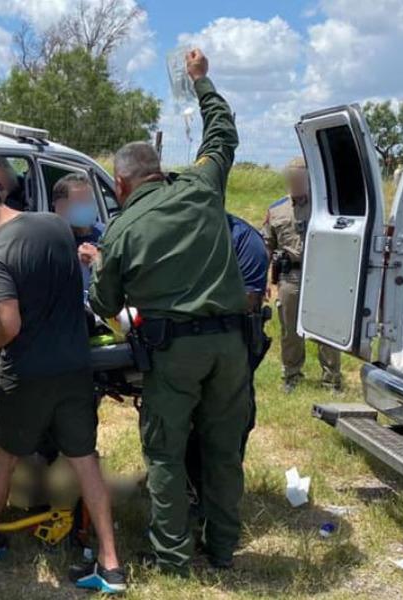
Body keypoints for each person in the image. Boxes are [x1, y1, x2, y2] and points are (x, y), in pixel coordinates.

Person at [89, 49, 251, 574]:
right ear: (158, 171)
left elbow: (103, 305)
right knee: (224, 450)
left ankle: (173, 557)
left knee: (165, 452)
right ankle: (223, 548)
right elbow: (222, 136)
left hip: (174, 350)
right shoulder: (202, 186)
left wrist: (98, 266)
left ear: (121, 184)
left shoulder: (121, 230)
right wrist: (201, 82)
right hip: (232, 345)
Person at [0, 179, 126, 594]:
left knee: (5, 458)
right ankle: (111, 563)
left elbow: (8, 326)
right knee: (86, 460)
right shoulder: (54, 225)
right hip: (76, 368)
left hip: (25, 373)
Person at [184, 213, 271, 515]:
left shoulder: (244, 239)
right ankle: (192, 495)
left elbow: (249, 298)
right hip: (185, 350)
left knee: (232, 427)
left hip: (233, 347)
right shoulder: (176, 232)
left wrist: (196, 300)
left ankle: (216, 507)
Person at [261, 157, 343, 393]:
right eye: (292, 178)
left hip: (321, 275)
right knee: (290, 330)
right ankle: (292, 375)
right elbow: (267, 246)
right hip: (291, 277)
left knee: (326, 327)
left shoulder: (325, 207)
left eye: (300, 178)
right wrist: (264, 280)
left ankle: (331, 379)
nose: (295, 182)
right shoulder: (276, 210)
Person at [52, 173, 104, 289]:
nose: (87, 206)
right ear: (60, 207)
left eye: (89, 200)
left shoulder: (106, 234)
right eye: (81, 202)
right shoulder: (50, 240)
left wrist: (97, 260)